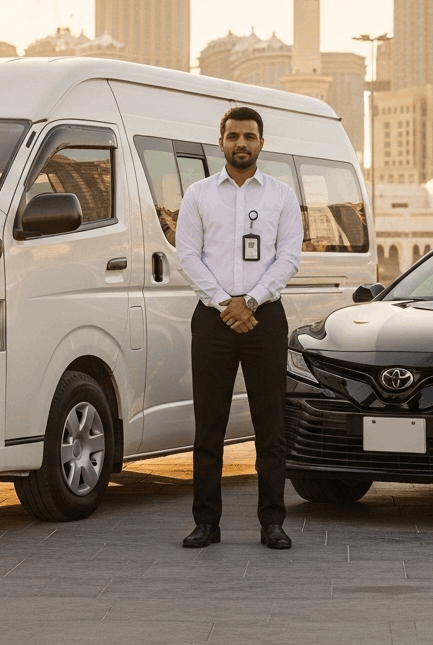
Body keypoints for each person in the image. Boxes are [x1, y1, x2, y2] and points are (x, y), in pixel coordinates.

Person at [175, 106, 304, 549]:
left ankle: (273, 522)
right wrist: (224, 303)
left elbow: (288, 257)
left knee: (271, 427)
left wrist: (249, 302)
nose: (241, 143)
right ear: (222, 142)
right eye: (233, 136)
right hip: (212, 320)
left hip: (264, 318)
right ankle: (206, 523)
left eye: (249, 136)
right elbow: (188, 255)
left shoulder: (282, 197)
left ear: (262, 143)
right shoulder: (198, 195)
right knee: (209, 426)